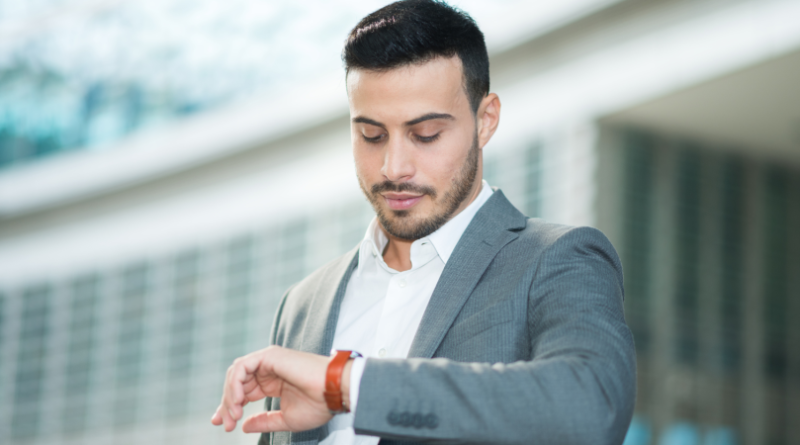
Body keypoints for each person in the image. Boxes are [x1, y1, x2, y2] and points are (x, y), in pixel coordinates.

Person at [211, 1, 636, 444]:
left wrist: (345, 383)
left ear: (485, 120)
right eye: (371, 135)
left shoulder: (557, 259)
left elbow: (590, 408)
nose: (394, 167)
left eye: (426, 134)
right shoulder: (301, 304)